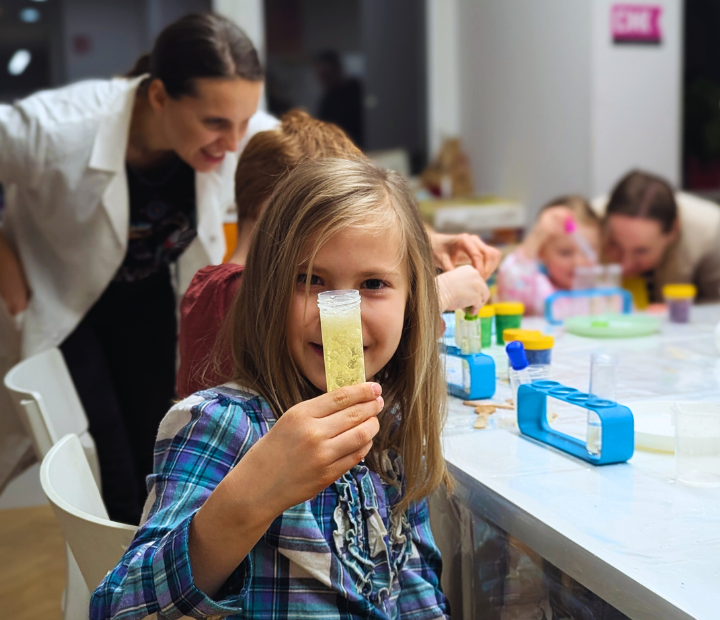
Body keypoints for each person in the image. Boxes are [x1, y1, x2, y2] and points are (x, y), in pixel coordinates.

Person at [91, 157, 450, 619]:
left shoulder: (393, 429)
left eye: (373, 284)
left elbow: (417, 590)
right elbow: (117, 610)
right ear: (267, 291)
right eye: (309, 279)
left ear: (412, 303)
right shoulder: (221, 425)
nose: (337, 314)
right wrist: (250, 496)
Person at [0, 13, 276, 525]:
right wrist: (8, 267)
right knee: (109, 460)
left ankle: (152, 568)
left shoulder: (237, 125)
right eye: (215, 124)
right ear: (157, 98)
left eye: (244, 121)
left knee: (159, 439)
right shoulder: (57, 129)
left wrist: (428, 241)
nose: (234, 142)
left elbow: (331, 183)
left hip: (147, 294)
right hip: (64, 301)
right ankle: (122, 586)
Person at [177, 110, 499, 398]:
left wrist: (425, 243)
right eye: (311, 279)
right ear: (277, 208)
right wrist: (437, 293)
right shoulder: (236, 292)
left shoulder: (208, 286)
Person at [594, 169, 720, 302]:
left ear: (673, 230)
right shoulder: (588, 224)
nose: (625, 265)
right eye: (614, 244)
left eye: (641, 251)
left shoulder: (711, 231)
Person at [497, 195, 601, 315]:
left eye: (587, 251)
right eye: (565, 252)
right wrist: (538, 235)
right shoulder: (538, 289)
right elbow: (512, 284)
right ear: (541, 252)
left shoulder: (604, 290)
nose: (578, 262)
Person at [315, 50, 365, 148]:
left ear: (337, 69)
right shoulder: (327, 101)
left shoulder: (357, 89)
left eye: (326, 74)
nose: (323, 79)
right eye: (321, 75)